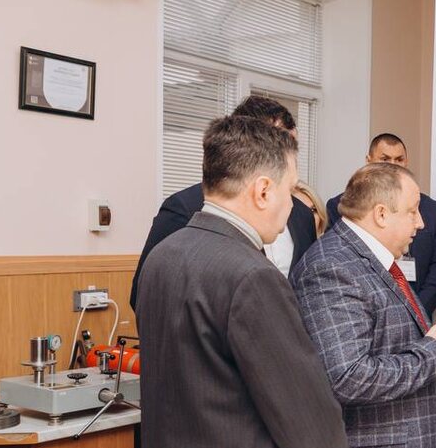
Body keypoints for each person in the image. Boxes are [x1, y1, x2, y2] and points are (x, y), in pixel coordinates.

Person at [136, 115, 351, 448]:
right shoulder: (251, 275)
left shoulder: (161, 258)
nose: (293, 205)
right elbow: (302, 410)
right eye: (291, 190)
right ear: (263, 191)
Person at [293, 163, 436, 448]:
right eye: (412, 211)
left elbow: (389, 351)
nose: (421, 223)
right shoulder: (332, 267)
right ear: (380, 214)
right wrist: (435, 355)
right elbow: (347, 377)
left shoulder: (375, 262)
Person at [130, 95, 317, 309]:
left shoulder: (301, 214)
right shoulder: (184, 207)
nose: (289, 156)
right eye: (280, 146)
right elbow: (146, 293)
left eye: (293, 146)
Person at [325, 133, 436, 316]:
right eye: (385, 159)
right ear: (369, 160)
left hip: (419, 308)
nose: (392, 165)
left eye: (399, 159)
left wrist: (417, 311)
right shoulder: (346, 205)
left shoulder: (430, 208)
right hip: (368, 309)